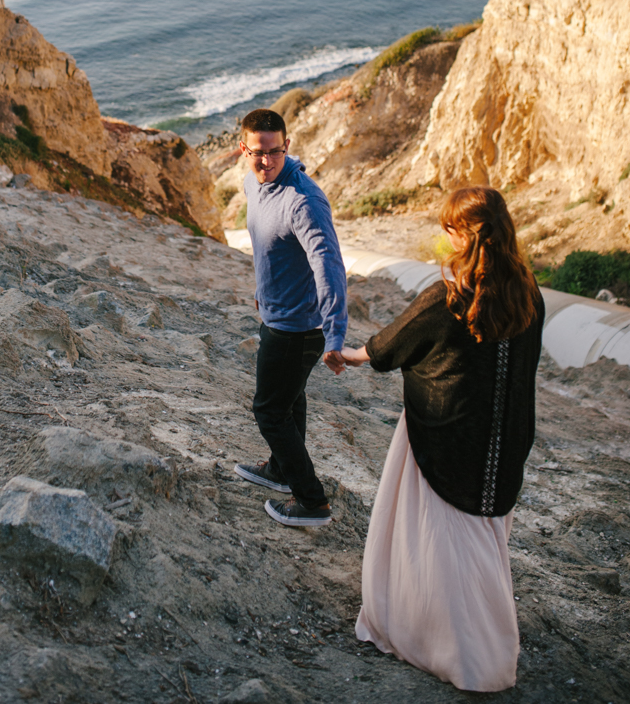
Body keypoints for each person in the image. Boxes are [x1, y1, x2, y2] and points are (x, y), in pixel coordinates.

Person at [338, 185, 543, 692]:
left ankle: (475, 659)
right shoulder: (528, 292)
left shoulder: (447, 294)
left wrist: (348, 354)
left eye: (448, 228)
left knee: (444, 545)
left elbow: (390, 345)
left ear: (461, 234)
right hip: (504, 438)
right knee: (484, 542)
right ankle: (467, 640)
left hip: (447, 430)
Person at [233, 108, 347, 528]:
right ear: (243, 149)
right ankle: (282, 471)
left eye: (275, 152)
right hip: (277, 315)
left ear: (288, 147)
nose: (266, 162)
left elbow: (329, 267)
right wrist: (264, 292)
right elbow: (269, 247)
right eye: (257, 153)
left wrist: (335, 335)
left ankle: (311, 501)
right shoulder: (252, 183)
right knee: (290, 398)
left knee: (269, 411)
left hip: (300, 329)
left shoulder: (303, 201)